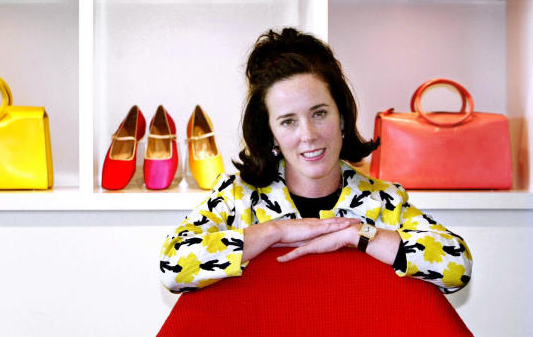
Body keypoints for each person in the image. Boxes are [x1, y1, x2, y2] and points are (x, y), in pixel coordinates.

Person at [159, 27, 472, 294]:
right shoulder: (237, 197)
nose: (308, 135)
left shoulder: (383, 200)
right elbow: (172, 267)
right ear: (270, 134)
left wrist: (359, 234)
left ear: (343, 117)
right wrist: (274, 232)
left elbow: (458, 265)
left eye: (319, 113)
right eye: (288, 121)